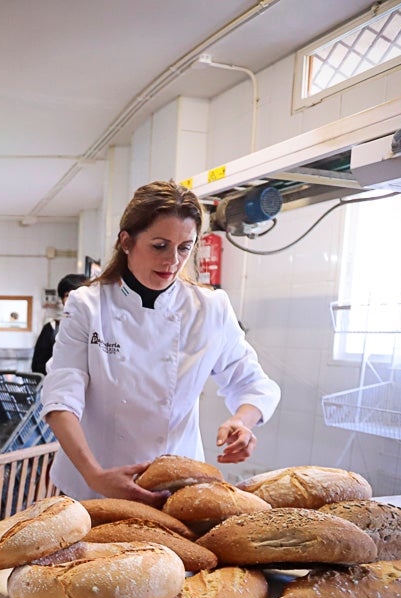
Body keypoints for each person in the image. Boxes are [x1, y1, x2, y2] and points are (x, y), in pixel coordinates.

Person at [41, 180, 280, 507]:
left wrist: (242, 421)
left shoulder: (210, 308)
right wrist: (95, 474)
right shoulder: (88, 305)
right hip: (93, 482)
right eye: (159, 245)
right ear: (126, 241)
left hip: (177, 484)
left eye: (184, 247)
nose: (172, 260)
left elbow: (252, 383)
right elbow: (61, 398)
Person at [30, 273, 90, 374]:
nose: (72, 299)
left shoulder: (97, 327)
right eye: (67, 295)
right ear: (62, 300)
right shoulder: (51, 328)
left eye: (77, 294)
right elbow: (37, 365)